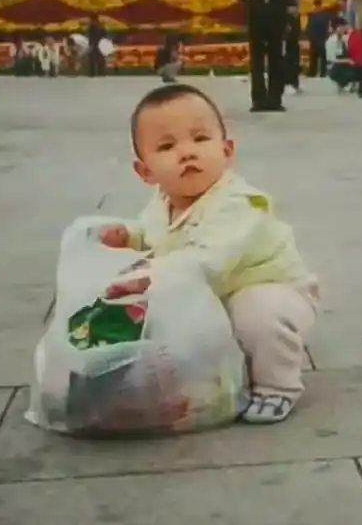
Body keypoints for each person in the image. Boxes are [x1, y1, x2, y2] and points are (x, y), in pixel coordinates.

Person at [98, 84, 318, 423]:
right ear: (146, 172)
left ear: (227, 150)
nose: (187, 153)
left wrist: (146, 278)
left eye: (200, 139)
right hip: (211, 294)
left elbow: (207, 260)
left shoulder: (237, 204)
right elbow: (152, 235)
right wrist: (128, 237)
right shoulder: (162, 203)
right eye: (167, 146)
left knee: (257, 313)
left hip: (269, 286)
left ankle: (278, 387)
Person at [283, 0, 302, 94]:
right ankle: (287, 81)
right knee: (288, 55)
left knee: (295, 54)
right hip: (286, 24)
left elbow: (296, 6)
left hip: (295, 24)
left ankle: (295, 82)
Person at [305, 0, 331, 77]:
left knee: (313, 56)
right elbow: (326, 27)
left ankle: (312, 72)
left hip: (313, 38)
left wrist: (308, 36)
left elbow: (308, 27)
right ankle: (323, 72)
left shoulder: (311, 15)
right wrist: (327, 36)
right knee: (323, 56)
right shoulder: (325, 14)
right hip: (321, 38)